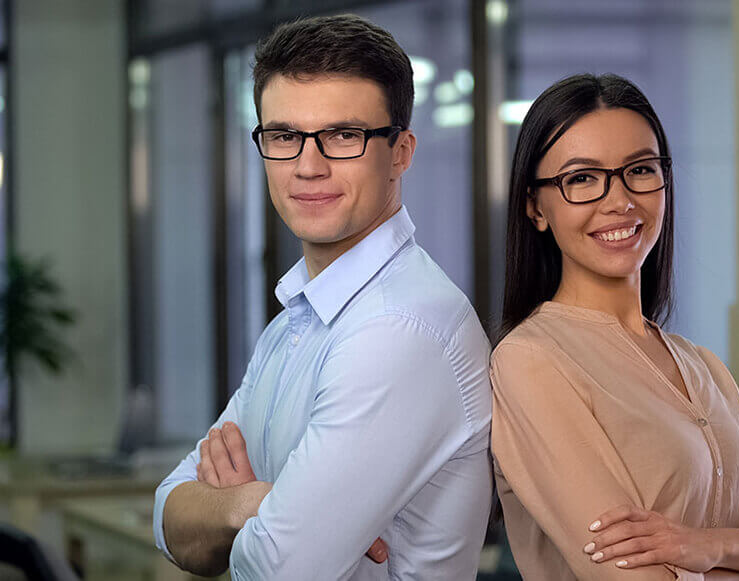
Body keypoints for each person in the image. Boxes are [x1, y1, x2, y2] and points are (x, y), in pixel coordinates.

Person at [152, 15, 493, 580]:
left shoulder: (400, 328)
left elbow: (276, 570)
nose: (308, 167)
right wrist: (250, 505)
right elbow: (167, 513)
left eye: (343, 135)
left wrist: (234, 521)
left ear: (401, 151)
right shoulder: (303, 316)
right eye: (284, 136)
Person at [489, 73, 739, 580]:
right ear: (534, 205)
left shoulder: (703, 366)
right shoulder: (532, 362)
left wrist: (705, 547)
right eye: (582, 178)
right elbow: (635, 576)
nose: (619, 200)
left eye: (640, 169)